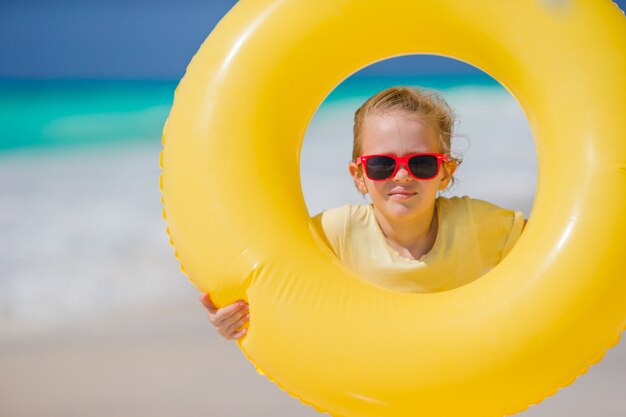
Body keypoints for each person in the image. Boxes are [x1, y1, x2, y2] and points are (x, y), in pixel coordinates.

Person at [199, 86, 526, 340]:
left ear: (445, 173)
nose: (401, 176)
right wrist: (233, 316)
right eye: (382, 165)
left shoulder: (477, 224)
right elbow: (272, 278)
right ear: (359, 176)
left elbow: (556, 262)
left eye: (421, 163)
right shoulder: (338, 232)